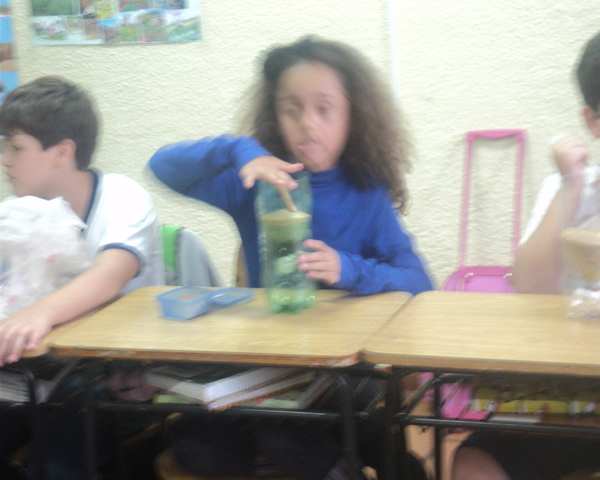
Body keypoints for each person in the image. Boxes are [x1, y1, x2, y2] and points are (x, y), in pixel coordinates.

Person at [148, 37, 432, 480]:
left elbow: (419, 282)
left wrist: (349, 269)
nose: (307, 124)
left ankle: (337, 457)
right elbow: (162, 166)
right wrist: (239, 149)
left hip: (343, 369)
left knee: (289, 439)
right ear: (275, 115)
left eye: (324, 109)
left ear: (352, 115)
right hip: (271, 364)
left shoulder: (366, 192)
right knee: (198, 448)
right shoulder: (256, 184)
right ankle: (319, 456)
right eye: (291, 109)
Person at [452, 30, 600, 480]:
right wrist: (571, 186)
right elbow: (531, 285)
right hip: (569, 390)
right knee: (470, 463)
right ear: (593, 121)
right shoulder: (568, 189)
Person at [0, 76, 164, 479]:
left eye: (16, 148)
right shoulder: (21, 212)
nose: (5, 160)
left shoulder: (123, 198)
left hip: (120, 377)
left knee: (53, 466)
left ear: (62, 152)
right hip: (40, 377)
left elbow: (110, 275)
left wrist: (38, 313)